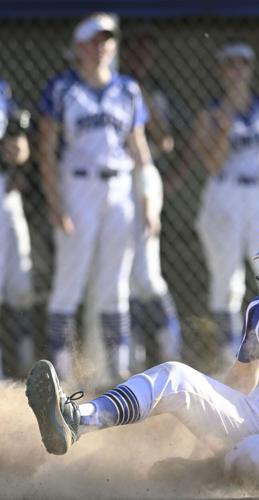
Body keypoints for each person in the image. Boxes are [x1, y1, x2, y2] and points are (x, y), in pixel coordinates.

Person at [25, 195, 259, 486]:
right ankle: (79, 419)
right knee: (174, 375)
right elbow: (242, 381)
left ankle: (207, 474)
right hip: (258, 415)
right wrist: (207, 434)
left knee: (254, 455)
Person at [38, 13, 159, 381]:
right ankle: (61, 377)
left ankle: (117, 375)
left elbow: (140, 151)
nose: (102, 48)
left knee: (115, 285)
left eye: (107, 41)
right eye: (94, 42)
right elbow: (45, 151)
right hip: (78, 187)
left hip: (120, 188)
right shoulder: (62, 88)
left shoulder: (128, 89)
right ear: (78, 48)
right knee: (68, 285)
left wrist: (149, 201)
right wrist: (56, 204)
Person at [191, 42, 259, 361]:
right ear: (220, 71)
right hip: (225, 192)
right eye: (229, 65)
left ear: (250, 68)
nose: (236, 72)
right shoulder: (210, 114)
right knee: (226, 274)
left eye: (242, 65)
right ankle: (228, 352)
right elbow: (213, 164)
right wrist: (223, 131)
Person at [122, 29, 182, 367]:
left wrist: (140, 97)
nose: (140, 58)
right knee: (124, 278)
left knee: (147, 274)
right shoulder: (112, 88)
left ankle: (170, 348)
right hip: (113, 185)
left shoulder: (151, 91)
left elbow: (165, 142)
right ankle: (134, 355)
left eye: (146, 51)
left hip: (143, 180)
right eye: (135, 51)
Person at [0, 81, 34, 378]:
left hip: (6, 196)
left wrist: (15, 150)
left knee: (20, 287)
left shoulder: (3, 91)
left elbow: (21, 149)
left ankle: (27, 370)